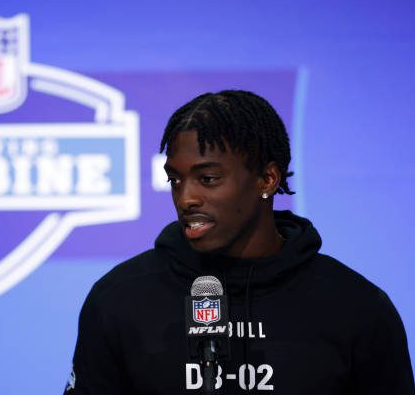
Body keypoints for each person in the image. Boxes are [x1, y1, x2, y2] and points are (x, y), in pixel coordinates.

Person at [64, 90, 414, 394]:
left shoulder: (357, 307)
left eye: (208, 178)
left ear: (267, 179)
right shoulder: (120, 299)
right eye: (175, 179)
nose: (186, 198)